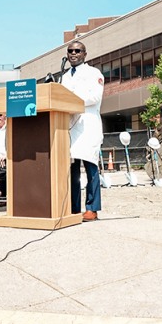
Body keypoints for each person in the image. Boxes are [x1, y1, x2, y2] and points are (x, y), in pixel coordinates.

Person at [62, 41, 104, 221]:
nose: (73, 53)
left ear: (85, 54)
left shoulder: (94, 73)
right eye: (70, 51)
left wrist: (71, 100)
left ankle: (92, 208)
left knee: (90, 168)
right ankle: (72, 207)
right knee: (71, 169)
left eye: (77, 51)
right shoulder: (64, 77)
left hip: (87, 126)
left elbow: (95, 96)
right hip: (70, 126)